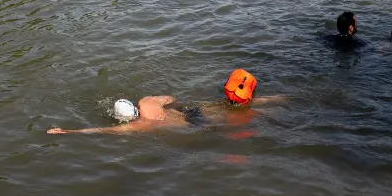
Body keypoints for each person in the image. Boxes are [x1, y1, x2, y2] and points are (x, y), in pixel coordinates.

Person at [45, 69, 285, 135]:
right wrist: (168, 103)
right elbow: (171, 98)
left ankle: (268, 107)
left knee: (231, 116)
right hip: (189, 110)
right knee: (226, 105)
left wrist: (69, 131)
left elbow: (102, 130)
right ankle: (274, 100)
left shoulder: (139, 125)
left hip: (193, 124)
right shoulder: (147, 102)